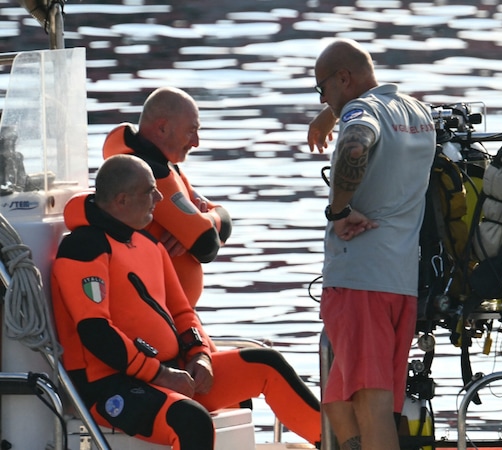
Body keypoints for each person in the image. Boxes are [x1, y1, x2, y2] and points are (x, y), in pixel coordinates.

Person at [51, 154, 321, 449]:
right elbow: (96, 332)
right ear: (122, 200)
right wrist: (161, 374)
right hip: (110, 386)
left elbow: (182, 312)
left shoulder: (148, 243)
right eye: (149, 192)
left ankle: (340, 443)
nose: (158, 197)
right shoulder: (83, 248)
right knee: (191, 421)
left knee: (266, 363)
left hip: (169, 372)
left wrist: (200, 355)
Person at [306, 39, 436, 450]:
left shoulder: (361, 114)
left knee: (370, 405)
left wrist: (338, 211)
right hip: (399, 280)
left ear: (343, 78)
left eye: (321, 89)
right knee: (338, 400)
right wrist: (330, 114)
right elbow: (363, 109)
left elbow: (357, 140)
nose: (322, 98)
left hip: (360, 278)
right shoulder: (418, 112)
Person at [102, 87, 231, 309]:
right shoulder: (150, 175)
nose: (196, 142)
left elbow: (224, 220)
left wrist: (201, 221)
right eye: (191, 131)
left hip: (175, 315)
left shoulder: (167, 167)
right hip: (154, 315)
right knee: (260, 347)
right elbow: (206, 244)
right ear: (162, 128)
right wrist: (200, 224)